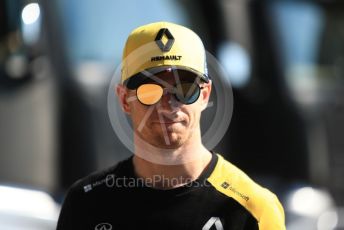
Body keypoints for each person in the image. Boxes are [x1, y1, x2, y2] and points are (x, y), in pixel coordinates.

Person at [56, 21, 286, 230]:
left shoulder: (252, 209)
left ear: (205, 95)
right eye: (150, 91)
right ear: (124, 99)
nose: (168, 105)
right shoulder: (86, 203)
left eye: (185, 90)